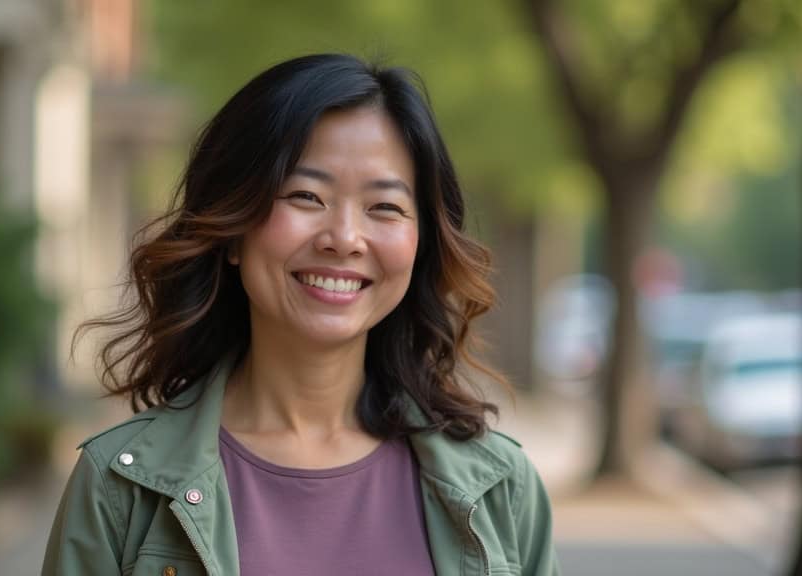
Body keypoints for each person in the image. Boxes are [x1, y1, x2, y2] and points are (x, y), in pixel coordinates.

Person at [43, 53, 559, 576]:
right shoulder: (121, 487)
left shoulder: (502, 489)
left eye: (384, 206)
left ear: (421, 243)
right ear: (233, 229)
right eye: (306, 196)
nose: (345, 238)